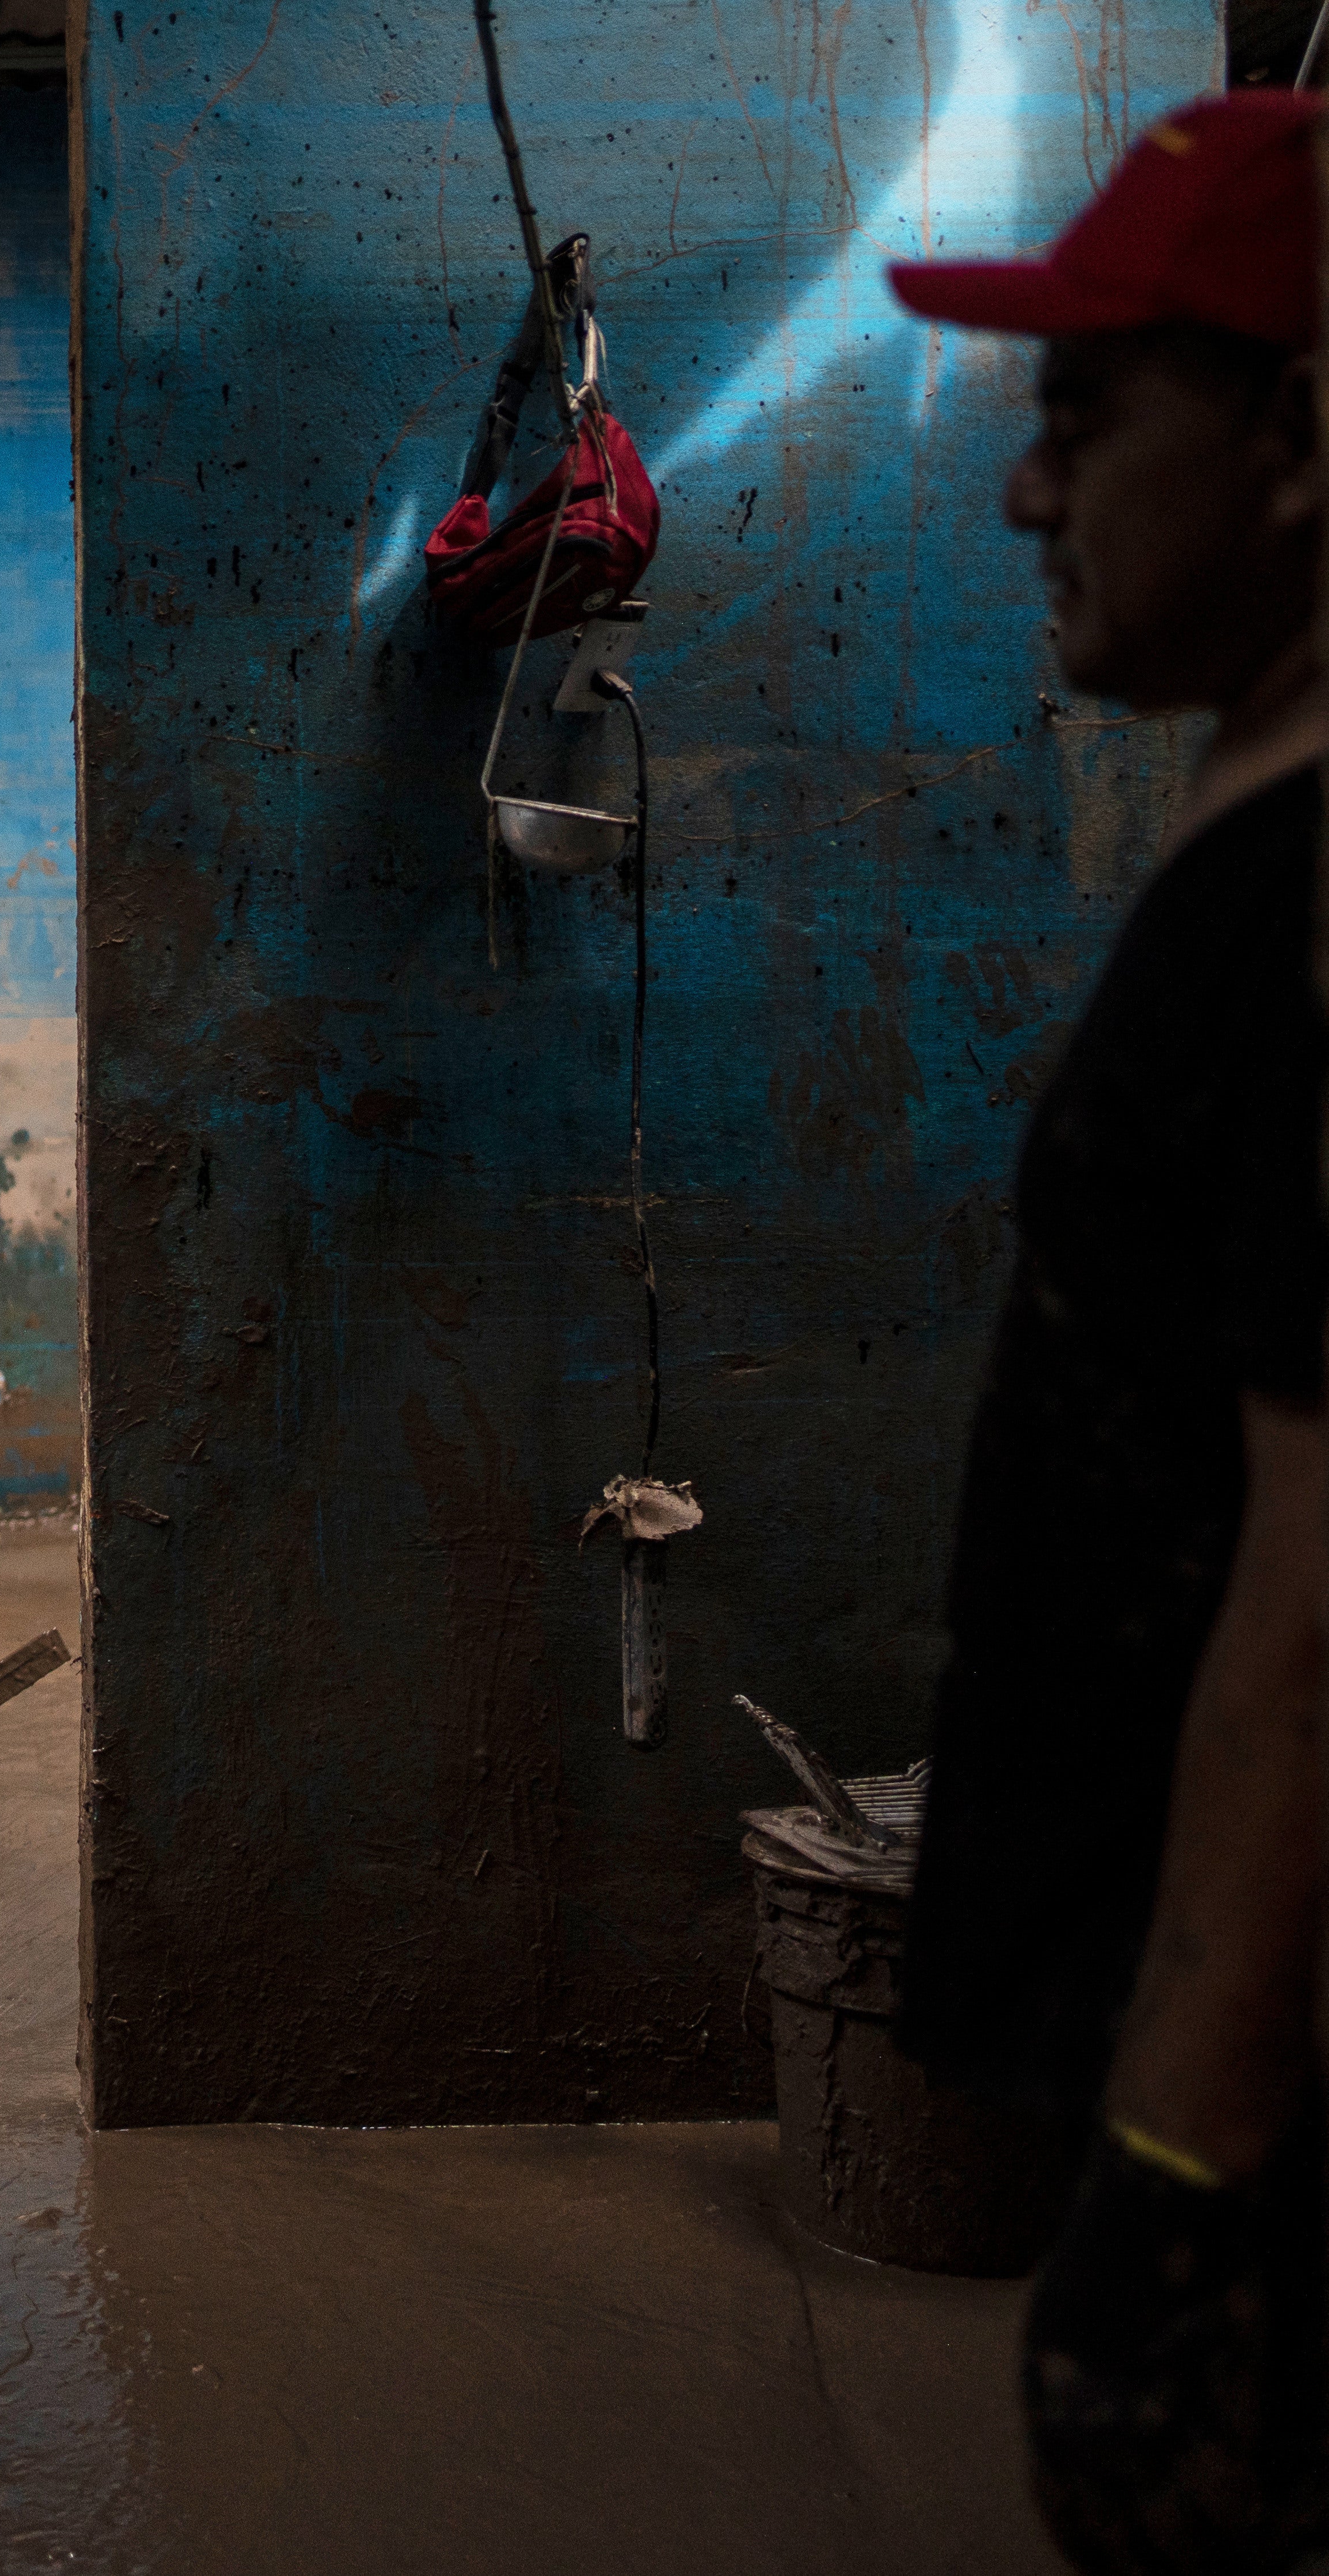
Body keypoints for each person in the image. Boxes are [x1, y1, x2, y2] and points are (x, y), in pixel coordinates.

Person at [886, 89, 1329, 2568]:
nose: (1028, 493)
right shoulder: (1246, 835)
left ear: (1292, 434)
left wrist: (1178, 2160)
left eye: (1081, 418)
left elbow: (1308, 1600)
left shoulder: (1300, 908)